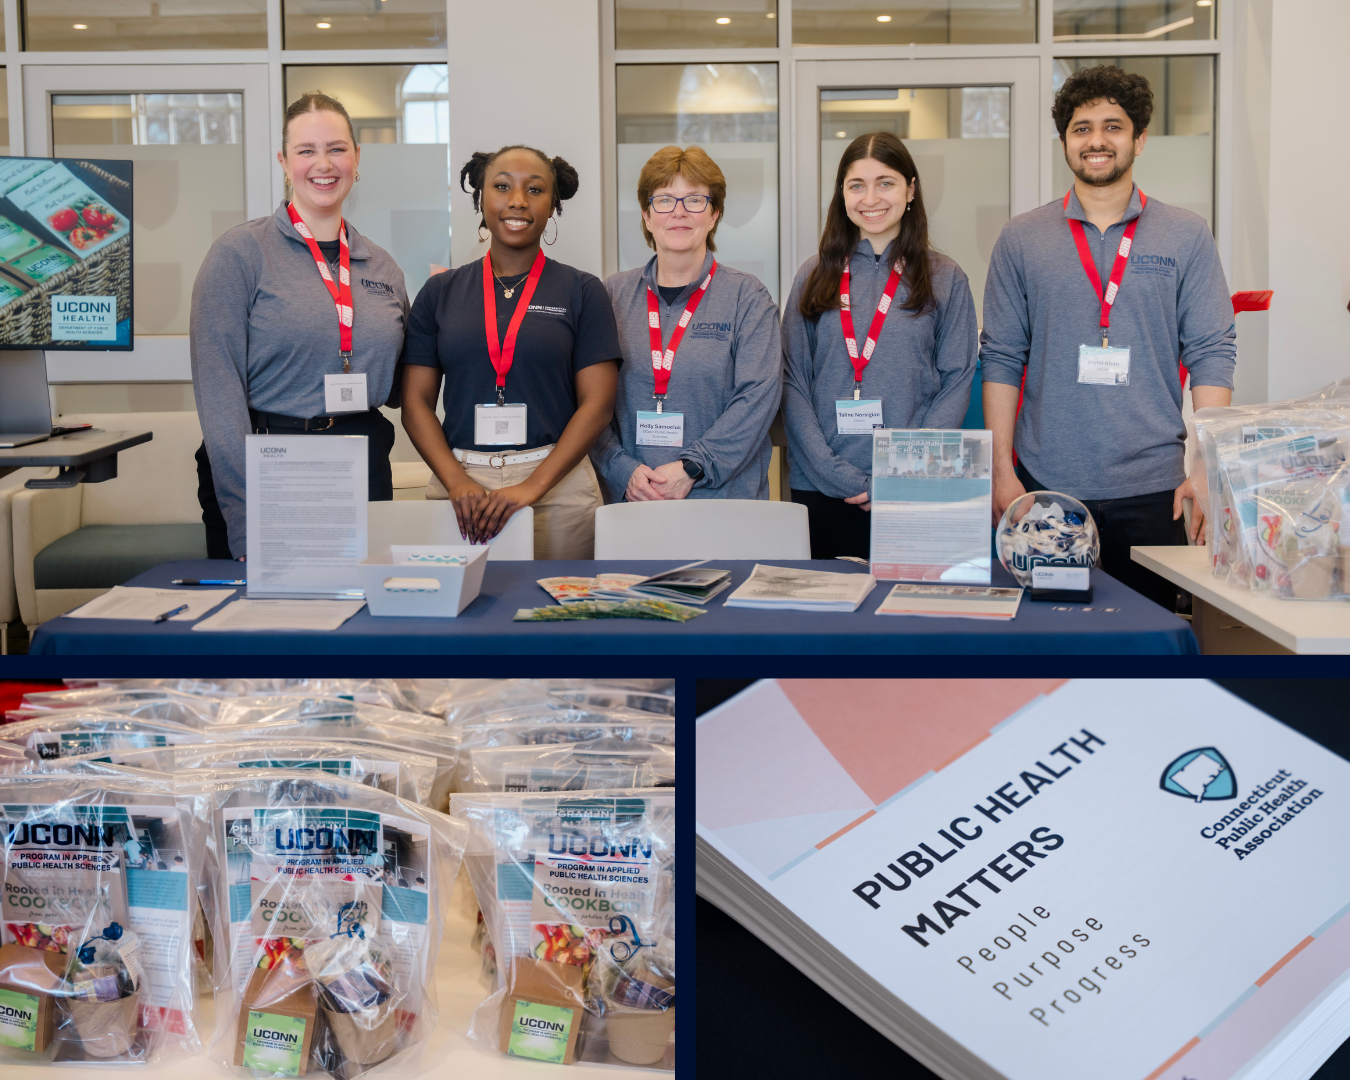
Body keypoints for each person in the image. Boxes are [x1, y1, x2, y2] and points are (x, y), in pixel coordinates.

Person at [979, 65, 1235, 611]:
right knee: (1049, 650)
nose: (1096, 140)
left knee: (1143, 650)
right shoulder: (1022, 239)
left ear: (1139, 138)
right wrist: (1003, 473)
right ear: (1066, 141)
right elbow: (1000, 357)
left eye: (1113, 126)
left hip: (1153, 490)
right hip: (1045, 489)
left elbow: (1212, 351)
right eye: (1081, 127)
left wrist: (1206, 467)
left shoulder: (1185, 235)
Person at [191, 92, 408, 560]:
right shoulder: (240, 254)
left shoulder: (382, 266)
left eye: (336, 148)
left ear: (356, 158)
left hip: (361, 460)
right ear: (284, 163)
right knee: (267, 627)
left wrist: (443, 310)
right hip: (273, 462)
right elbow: (219, 394)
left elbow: (397, 387)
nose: (323, 164)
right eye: (306, 151)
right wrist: (246, 516)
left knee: (359, 620)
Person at [401, 145, 620, 558]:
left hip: (557, 484)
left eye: (535, 189)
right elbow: (415, 402)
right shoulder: (440, 292)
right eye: (502, 186)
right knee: (462, 615)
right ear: (481, 198)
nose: (518, 200)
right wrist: (456, 482)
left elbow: (598, 405)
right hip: (461, 485)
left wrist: (531, 487)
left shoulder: (582, 291)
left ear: (553, 205)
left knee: (559, 612)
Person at [782, 132, 978, 559]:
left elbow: (956, 381)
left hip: (918, 485)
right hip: (822, 485)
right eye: (857, 185)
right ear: (842, 195)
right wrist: (838, 476)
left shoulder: (946, 277)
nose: (871, 198)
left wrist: (900, 476)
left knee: (912, 617)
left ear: (910, 189)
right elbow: (792, 382)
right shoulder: (812, 275)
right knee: (828, 619)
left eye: (885, 182)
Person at [593, 145, 780, 501]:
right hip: (634, 500)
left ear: (714, 215)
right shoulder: (611, 295)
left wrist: (693, 467)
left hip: (723, 501)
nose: (679, 212)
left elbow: (757, 399)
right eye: (664, 200)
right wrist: (622, 471)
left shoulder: (747, 297)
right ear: (647, 216)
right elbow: (589, 399)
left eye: (694, 200)